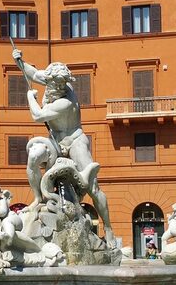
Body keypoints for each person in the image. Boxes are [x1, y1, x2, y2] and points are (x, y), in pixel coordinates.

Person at [12, 48, 116, 248]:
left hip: (75, 139)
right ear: (49, 81)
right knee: (34, 156)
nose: (59, 87)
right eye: (55, 84)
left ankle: (109, 228)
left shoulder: (66, 101)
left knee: (93, 188)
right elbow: (33, 74)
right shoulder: (50, 80)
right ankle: (36, 198)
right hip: (54, 140)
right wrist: (19, 61)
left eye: (62, 84)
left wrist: (30, 97)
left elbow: (38, 116)